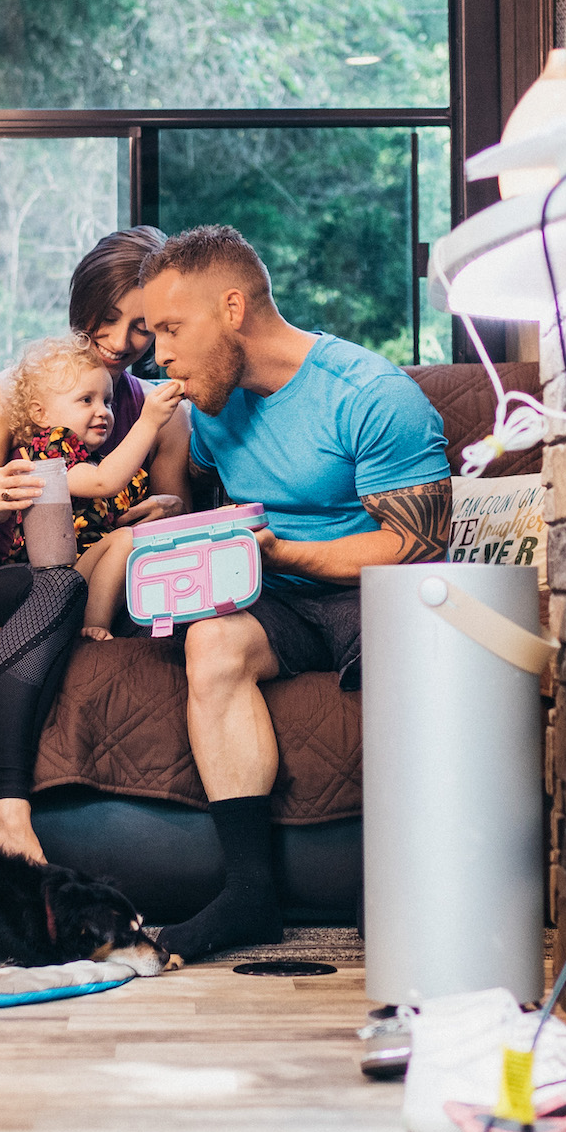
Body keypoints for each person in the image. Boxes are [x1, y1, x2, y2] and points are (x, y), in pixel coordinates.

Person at [128, 223, 450, 961]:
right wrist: (174, 519)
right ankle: (249, 896)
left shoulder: (370, 395)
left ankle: (400, 875)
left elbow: (418, 541)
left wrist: (286, 550)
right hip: (275, 588)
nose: (160, 354)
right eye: (152, 335)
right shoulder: (213, 407)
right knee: (211, 639)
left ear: (234, 308)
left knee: (418, 649)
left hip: (371, 582)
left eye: (172, 329)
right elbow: (214, 498)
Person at [0, 226, 195, 864]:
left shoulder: (162, 413)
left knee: (72, 580)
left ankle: (5, 814)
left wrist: (154, 516)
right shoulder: (9, 397)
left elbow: (169, 524)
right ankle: (7, 806)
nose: (124, 344)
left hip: (96, 578)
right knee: (60, 583)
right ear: (82, 309)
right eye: (109, 320)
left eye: (143, 327)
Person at [0, 332, 187, 638]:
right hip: (48, 583)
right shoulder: (48, 453)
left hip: (84, 573)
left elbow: (112, 491)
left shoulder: (93, 459)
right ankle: (93, 626)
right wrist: (148, 422)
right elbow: (104, 482)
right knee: (125, 540)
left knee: (137, 543)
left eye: (107, 401)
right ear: (40, 413)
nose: (102, 411)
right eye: (86, 400)